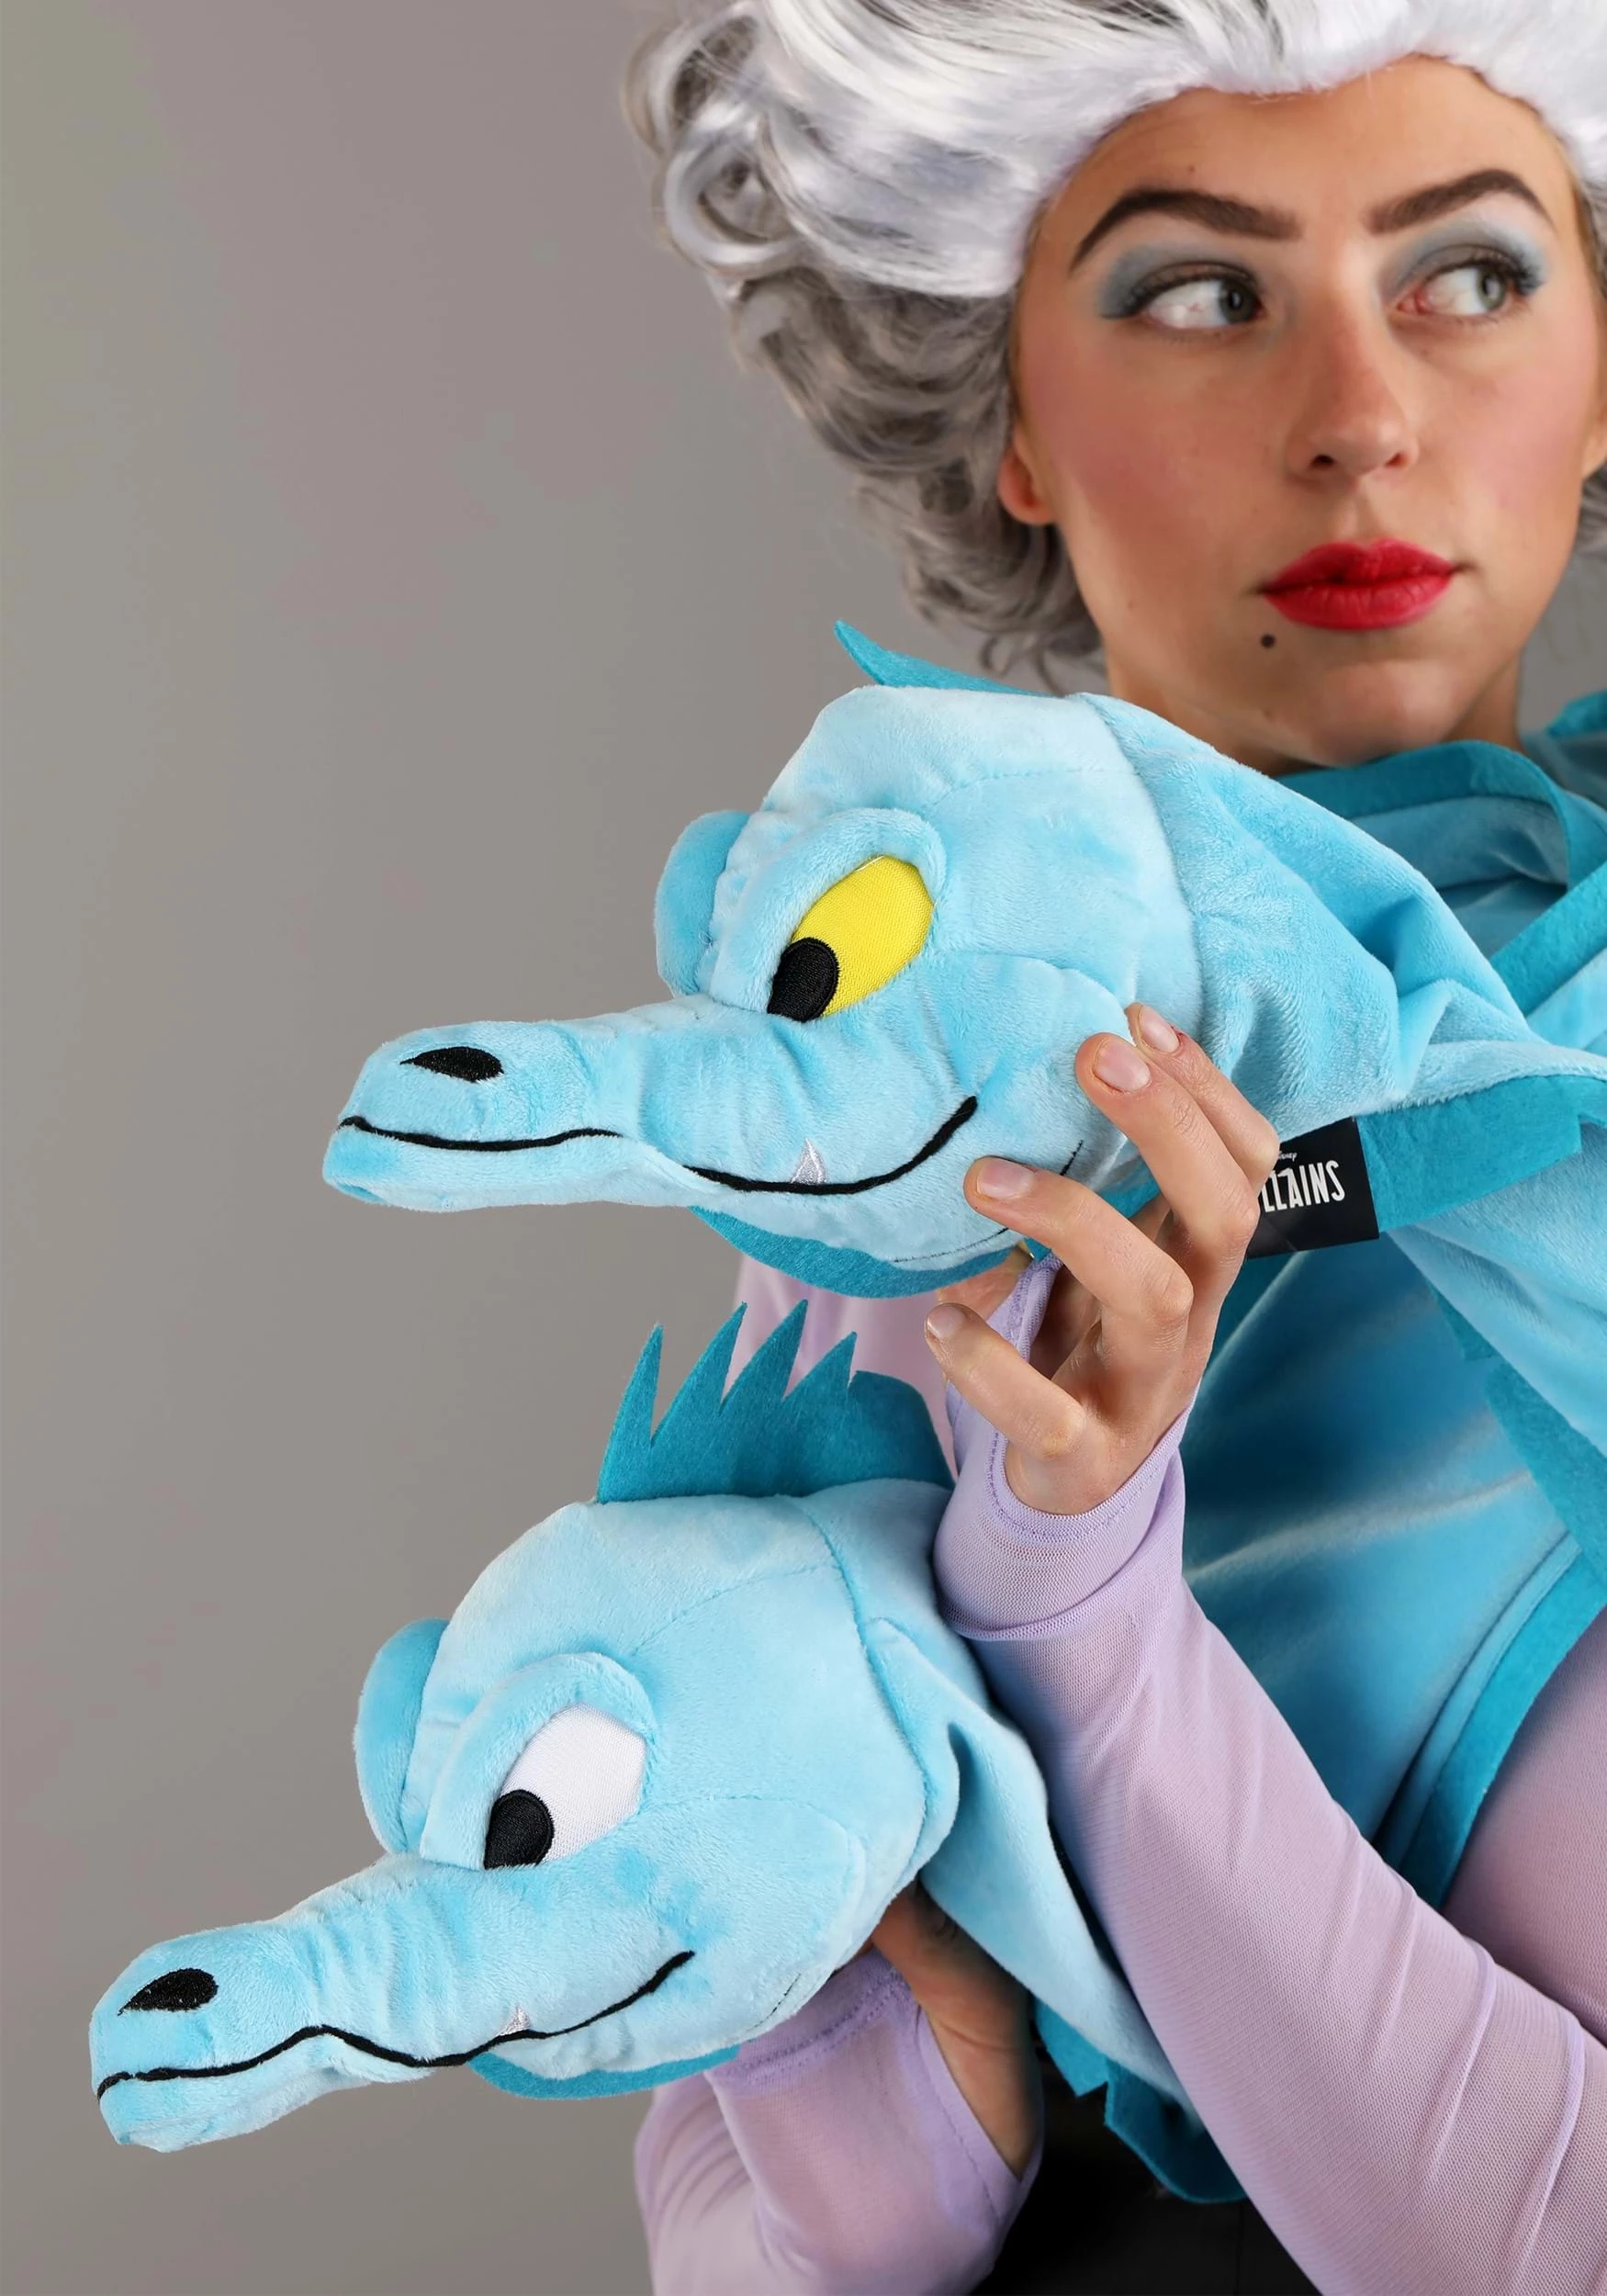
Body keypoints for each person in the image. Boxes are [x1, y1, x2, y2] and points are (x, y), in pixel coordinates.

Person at [623, 6, 1607, 2289]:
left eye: (1466, 275)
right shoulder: (903, 1141)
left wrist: (1067, 1600)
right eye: (1195, 291)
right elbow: (741, 2197)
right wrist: (865, 2108)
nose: (1356, 415)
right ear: (1009, 424)